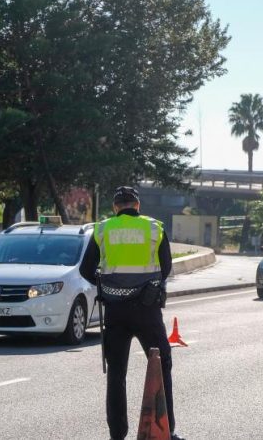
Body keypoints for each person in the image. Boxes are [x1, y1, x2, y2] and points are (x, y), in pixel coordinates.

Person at [79, 186, 184, 440]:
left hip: (115, 311)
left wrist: (106, 284)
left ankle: (117, 434)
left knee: (116, 373)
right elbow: (166, 267)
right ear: (137, 206)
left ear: (116, 207)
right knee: (161, 365)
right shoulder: (155, 228)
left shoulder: (102, 230)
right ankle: (166, 430)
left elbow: (86, 270)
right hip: (147, 310)